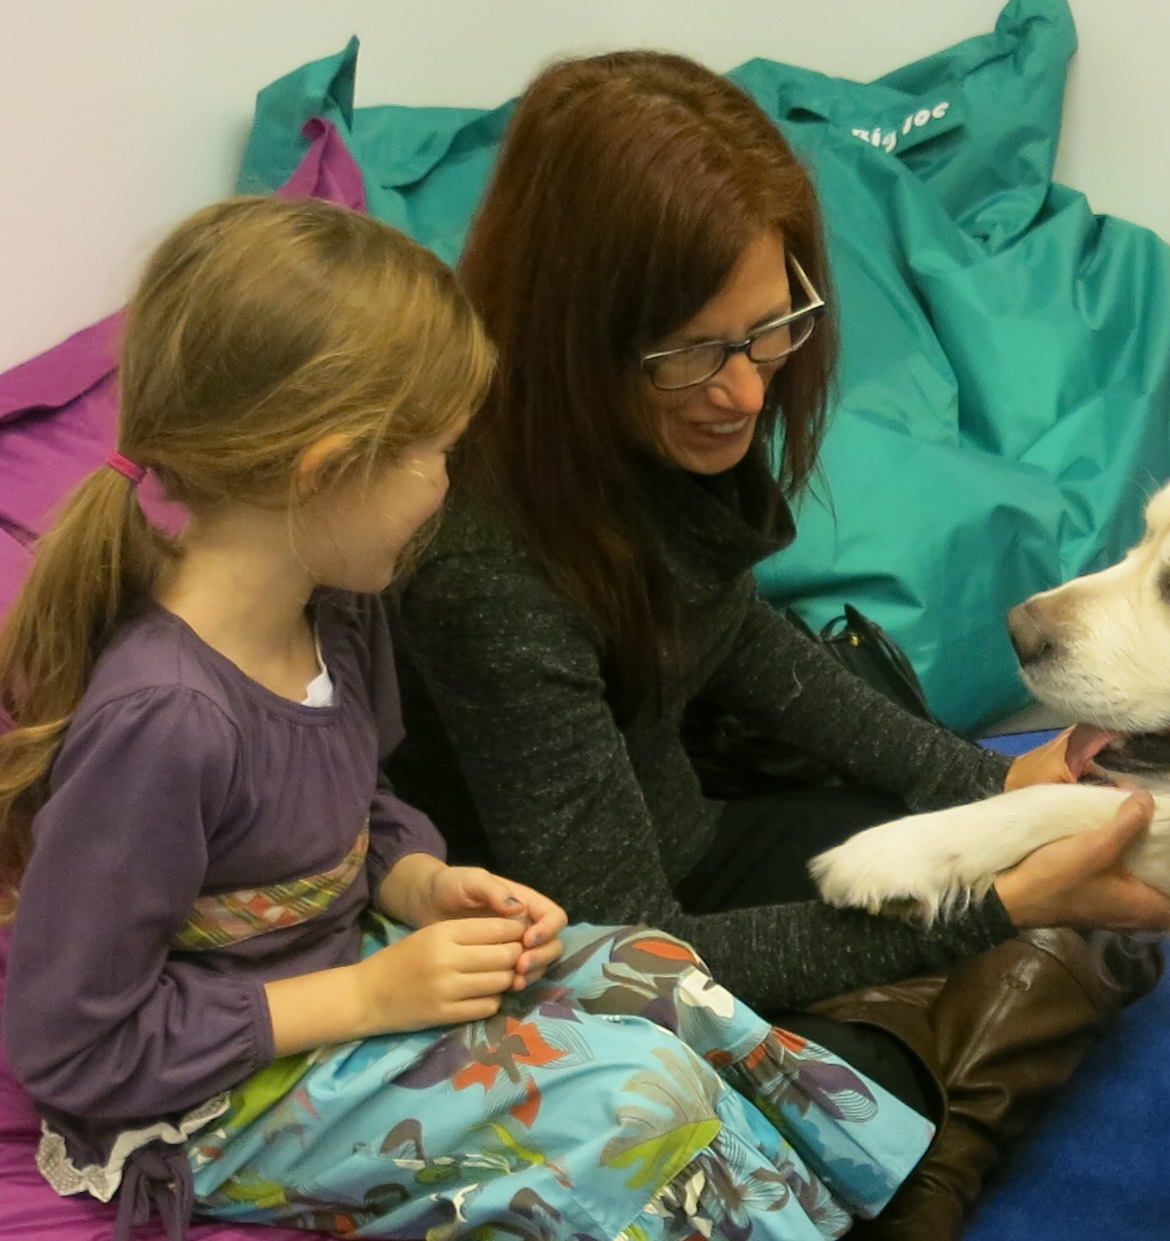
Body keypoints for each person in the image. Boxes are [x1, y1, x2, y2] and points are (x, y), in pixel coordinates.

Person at [0, 195, 934, 1241]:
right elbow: (74, 1043)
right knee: (636, 1089)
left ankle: (836, 1206)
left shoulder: (339, 609)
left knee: (660, 974)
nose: (451, 486)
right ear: (330, 470)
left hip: (352, 962)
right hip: (216, 1097)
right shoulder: (165, 721)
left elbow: (366, 800)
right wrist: (365, 998)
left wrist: (424, 880)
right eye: (438, 454)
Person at [389, 51, 1170, 1239]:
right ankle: (918, 1157)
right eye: (694, 351)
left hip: (688, 842)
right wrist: (1000, 901)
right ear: (572, 332)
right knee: (995, 956)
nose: (747, 392)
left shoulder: (670, 413)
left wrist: (984, 784)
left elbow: (736, 634)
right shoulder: (481, 564)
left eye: (772, 332)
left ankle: (912, 1129)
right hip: (576, 961)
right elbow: (630, 950)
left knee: (1098, 883)